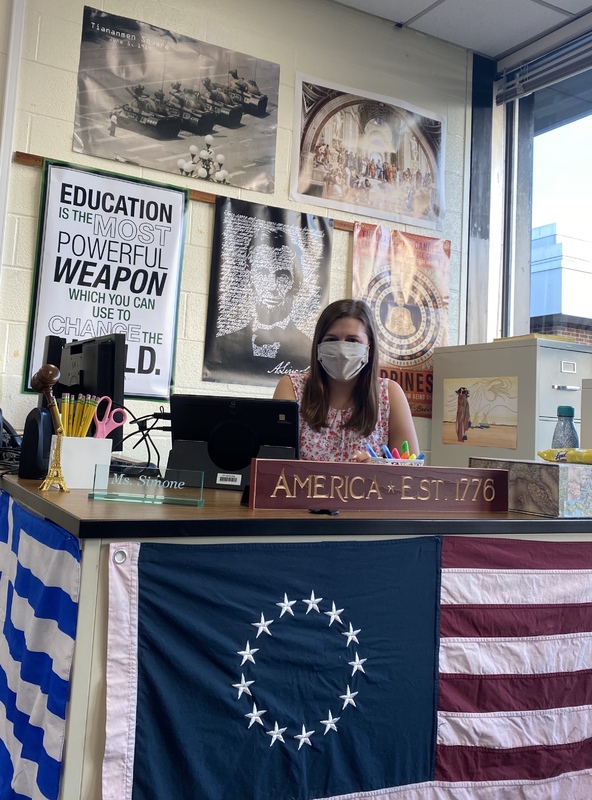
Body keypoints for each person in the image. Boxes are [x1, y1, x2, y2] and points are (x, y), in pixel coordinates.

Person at [273, 298, 420, 462]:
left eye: (352, 340)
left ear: (369, 349)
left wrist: (380, 467)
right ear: (318, 346)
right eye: (331, 339)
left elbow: (410, 471)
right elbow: (274, 465)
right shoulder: (292, 388)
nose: (341, 350)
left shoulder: (389, 394)